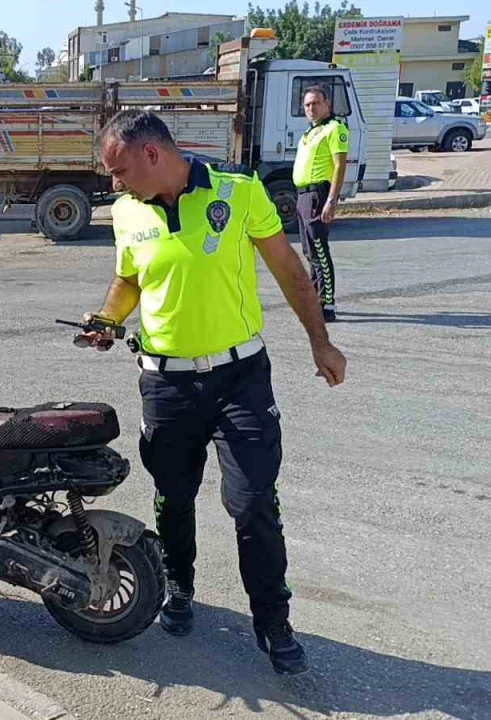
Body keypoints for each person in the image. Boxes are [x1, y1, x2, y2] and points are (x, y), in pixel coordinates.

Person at [80, 110, 347, 676]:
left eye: (120, 170)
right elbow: (129, 279)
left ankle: (273, 622)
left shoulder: (238, 192)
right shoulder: (127, 212)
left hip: (239, 379)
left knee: (253, 502)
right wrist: (107, 320)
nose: (115, 183)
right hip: (165, 383)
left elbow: (289, 271)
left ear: (152, 153)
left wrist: (320, 342)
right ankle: (179, 587)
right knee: (173, 497)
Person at [293, 86, 349, 323]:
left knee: (320, 251)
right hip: (303, 196)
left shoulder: (334, 128)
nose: (311, 108)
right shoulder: (310, 131)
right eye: (307, 104)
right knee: (309, 252)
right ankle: (316, 299)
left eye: (316, 103)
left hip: (318, 195)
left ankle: (327, 304)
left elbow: (339, 165)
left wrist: (331, 200)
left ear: (327, 104)